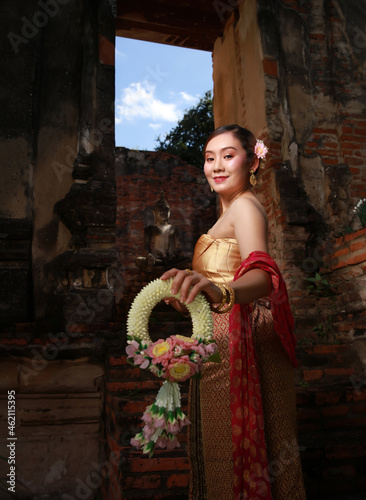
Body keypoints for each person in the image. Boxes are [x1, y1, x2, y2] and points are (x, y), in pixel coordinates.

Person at [161, 124, 306, 500]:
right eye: (210, 158)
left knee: (251, 448)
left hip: (247, 340)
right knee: (220, 451)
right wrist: (185, 295)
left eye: (228, 155)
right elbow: (216, 287)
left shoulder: (244, 205)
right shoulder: (225, 215)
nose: (217, 166)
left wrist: (219, 290)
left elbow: (262, 274)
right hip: (221, 342)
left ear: (252, 161)